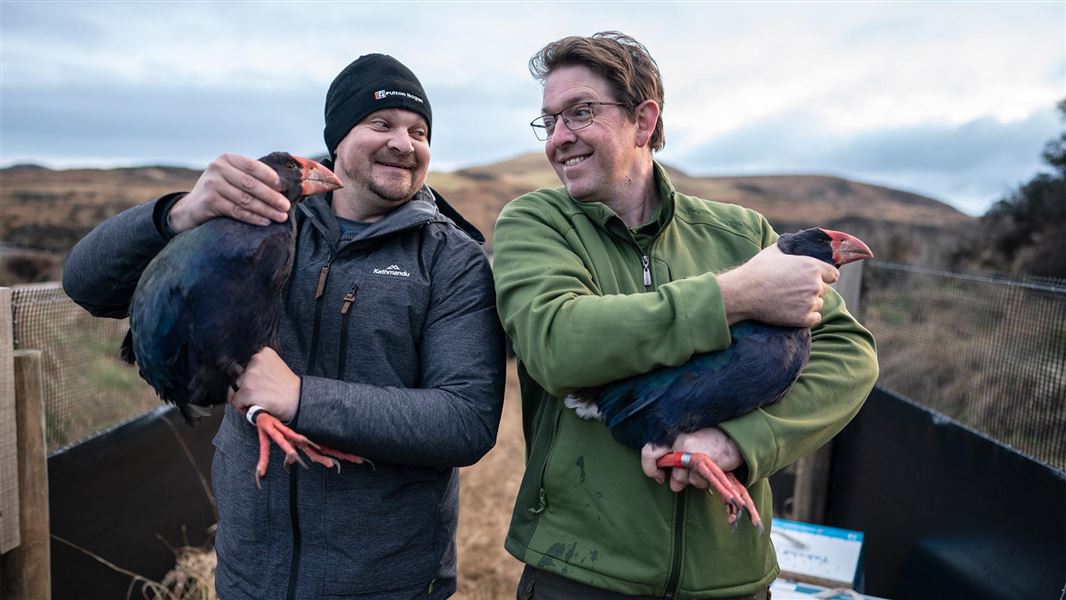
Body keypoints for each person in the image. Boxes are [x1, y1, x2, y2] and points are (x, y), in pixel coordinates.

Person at [64, 54, 506, 600]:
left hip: (387, 583)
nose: (403, 143)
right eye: (381, 124)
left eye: (419, 132)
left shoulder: (451, 258)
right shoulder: (254, 217)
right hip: (251, 575)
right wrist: (178, 214)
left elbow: (465, 421)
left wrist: (300, 397)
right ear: (337, 139)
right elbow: (88, 287)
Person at [493, 32, 878, 599]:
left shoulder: (742, 233)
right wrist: (736, 295)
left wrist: (736, 443)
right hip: (582, 574)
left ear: (643, 121)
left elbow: (849, 355)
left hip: (730, 580)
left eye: (580, 113)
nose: (559, 138)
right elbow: (557, 343)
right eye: (548, 121)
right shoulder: (536, 224)